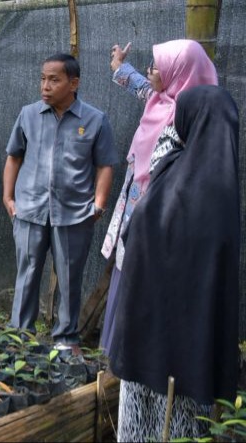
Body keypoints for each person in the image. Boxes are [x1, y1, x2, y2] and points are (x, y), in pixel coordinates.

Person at [107, 84, 240, 441]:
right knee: (185, 424)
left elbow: (136, 233)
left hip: (145, 336)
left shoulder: (170, 174)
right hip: (192, 350)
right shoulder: (224, 190)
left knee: (143, 425)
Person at [99, 39, 218, 354]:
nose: (150, 71)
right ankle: (117, 356)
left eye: (158, 66)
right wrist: (119, 63)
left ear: (179, 72)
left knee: (149, 281)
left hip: (163, 219)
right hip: (135, 210)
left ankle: (139, 357)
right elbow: (138, 84)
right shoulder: (159, 100)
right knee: (127, 272)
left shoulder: (192, 118)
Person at [3, 53, 118, 349]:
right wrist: (8, 197)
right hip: (29, 210)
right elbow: (14, 157)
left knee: (69, 278)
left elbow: (105, 165)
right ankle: (20, 337)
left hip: (74, 214)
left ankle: (66, 340)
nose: (45, 86)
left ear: (73, 83)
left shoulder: (95, 120)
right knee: (27, 274)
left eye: (54, 80)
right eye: (43, 79)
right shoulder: (28, 114)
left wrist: (98, 204)